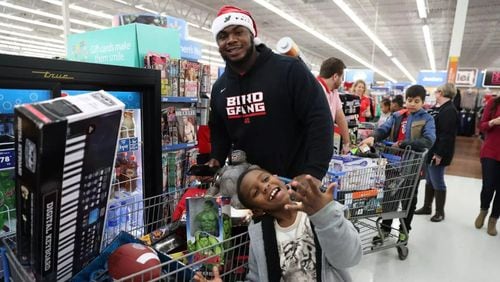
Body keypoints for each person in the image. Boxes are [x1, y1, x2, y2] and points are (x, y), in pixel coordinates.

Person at [207, 5, 333, 187]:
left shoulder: (290, 70)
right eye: (223, 36)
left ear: (252, 35)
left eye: (238, 32)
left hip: (295, 183)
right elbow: (220, 132)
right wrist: (216, 158)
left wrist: (313, 173)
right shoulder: (220, 87)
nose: (231, 40)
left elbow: (320, 121)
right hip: (251, 190)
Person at [194, 168, 362, 282]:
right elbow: (256, 278)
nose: (265, 187)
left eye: (266, 179)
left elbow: (349, 258)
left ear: (276, 177)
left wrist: (324, 215)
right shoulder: (260, 235)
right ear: (258, 210)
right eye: (256, 192)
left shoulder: (317, 213)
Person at [360, 85, 436, 242]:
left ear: (422, 102)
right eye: (409, 100)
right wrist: (373, 137)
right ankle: (385, 229)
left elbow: (428, 140)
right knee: (389, 198)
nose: (412, 103)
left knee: (408, 200)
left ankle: (404, 231)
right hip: (393, 164)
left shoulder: (427, 119)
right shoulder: (397, 115)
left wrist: (403, 143)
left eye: (416, 101)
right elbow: (383, 129)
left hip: (412, 167)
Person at [414, 83, 458, 222]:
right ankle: (427, 207)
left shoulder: (449, 111)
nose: (435, 93)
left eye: (437, 91)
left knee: (437, 180)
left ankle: (440, 212)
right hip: (431, 149)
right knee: (429, 179)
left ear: (442, 93)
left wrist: (439, 154)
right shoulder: (438, 108)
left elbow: (447, 135)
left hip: (439, 152)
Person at [475, 95, 500, 236]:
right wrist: (493, 122)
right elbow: (482, 125)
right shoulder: (493, 103)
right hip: (490, 151)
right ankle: (483, 211)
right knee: (488, 185)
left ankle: (493, 219)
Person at [316, 57, 351, 154]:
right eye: (342, 78)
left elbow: (340, 117)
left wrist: (347, 143)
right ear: (335, 77)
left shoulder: (334, 91)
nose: (342, 81)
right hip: (311, 144)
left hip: (322, 143)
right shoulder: (315, 88)